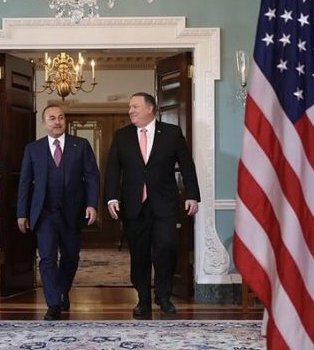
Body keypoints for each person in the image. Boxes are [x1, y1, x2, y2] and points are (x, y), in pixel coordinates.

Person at [105, 92, 200, 317]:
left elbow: (187, 165)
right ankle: (143, 299)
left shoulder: (172, 133)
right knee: (139, 254)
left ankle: (163, 296)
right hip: (134, 205)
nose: (130, 110)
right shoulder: (122, 136)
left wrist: (192, 195)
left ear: (150, 108)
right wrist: (111, 198)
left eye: (135, 106)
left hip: (164, 204)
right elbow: (113, 169)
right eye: (130, 107)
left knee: (166, 247)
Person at [17, 104, 100, 321]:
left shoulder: (80, 145)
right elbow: (25, 182)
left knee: (71, 257)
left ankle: (62, 291)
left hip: (73, 212)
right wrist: (22, 213)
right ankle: (53, 304)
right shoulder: (33, 149)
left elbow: (92, 176)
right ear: (44, 123)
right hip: (45, 214)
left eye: (61, 117)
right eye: (52, 118)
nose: (57, 122)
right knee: (47, 258)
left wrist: (92, 204)